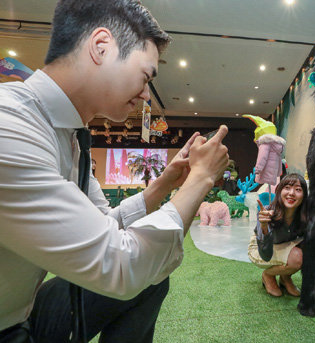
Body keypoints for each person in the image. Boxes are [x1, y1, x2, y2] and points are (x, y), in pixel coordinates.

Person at [0, 1, 229, 342]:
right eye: (146, 75)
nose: (146, 93)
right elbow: (119, 264)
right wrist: (201, 179)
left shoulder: (71, 137)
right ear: (101, 46)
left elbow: (105, 223)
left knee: (151, 281)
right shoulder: (10, 126)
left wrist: (166, 182)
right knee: (139, 271)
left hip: (25, 311)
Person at [247, 173, 308, 297]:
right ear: (279, 191)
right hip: (260, 250)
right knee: (297, 257)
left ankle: (285, 277)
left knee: (312, 246)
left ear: (304, 195)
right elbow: (265, 255)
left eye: (298, 189)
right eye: (287, 188)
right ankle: (268, 275)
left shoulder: (304, 215)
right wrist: (264, 227)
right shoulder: (268, 212)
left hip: (282, 246)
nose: (291, 193)